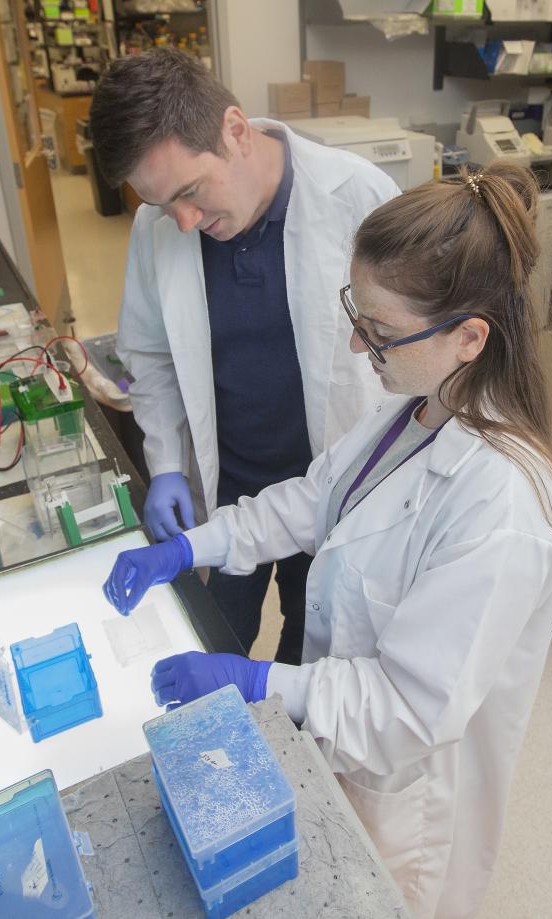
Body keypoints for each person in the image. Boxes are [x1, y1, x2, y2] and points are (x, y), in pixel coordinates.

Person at [100, 165, 552, 919]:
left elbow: (406, 712)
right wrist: (195, 544)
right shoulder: (414, 410)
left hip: (409, 802)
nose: (357, 345)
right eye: (356, 312)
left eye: (379, 331)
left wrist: (258, 682)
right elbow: (312, 498)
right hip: (344, 754)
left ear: (469, 338)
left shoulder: (502, 506)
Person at [88, 48, 397, 664]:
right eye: (160, 204)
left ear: (235, 131)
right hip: (228, 487)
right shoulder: (161, 227)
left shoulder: (359, 195)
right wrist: (167, 462)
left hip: (332, 488)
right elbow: (148, 355)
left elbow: (407, 357)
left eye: (190, 193)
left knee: (309, 654)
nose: (182, 222)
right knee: (214, 636)